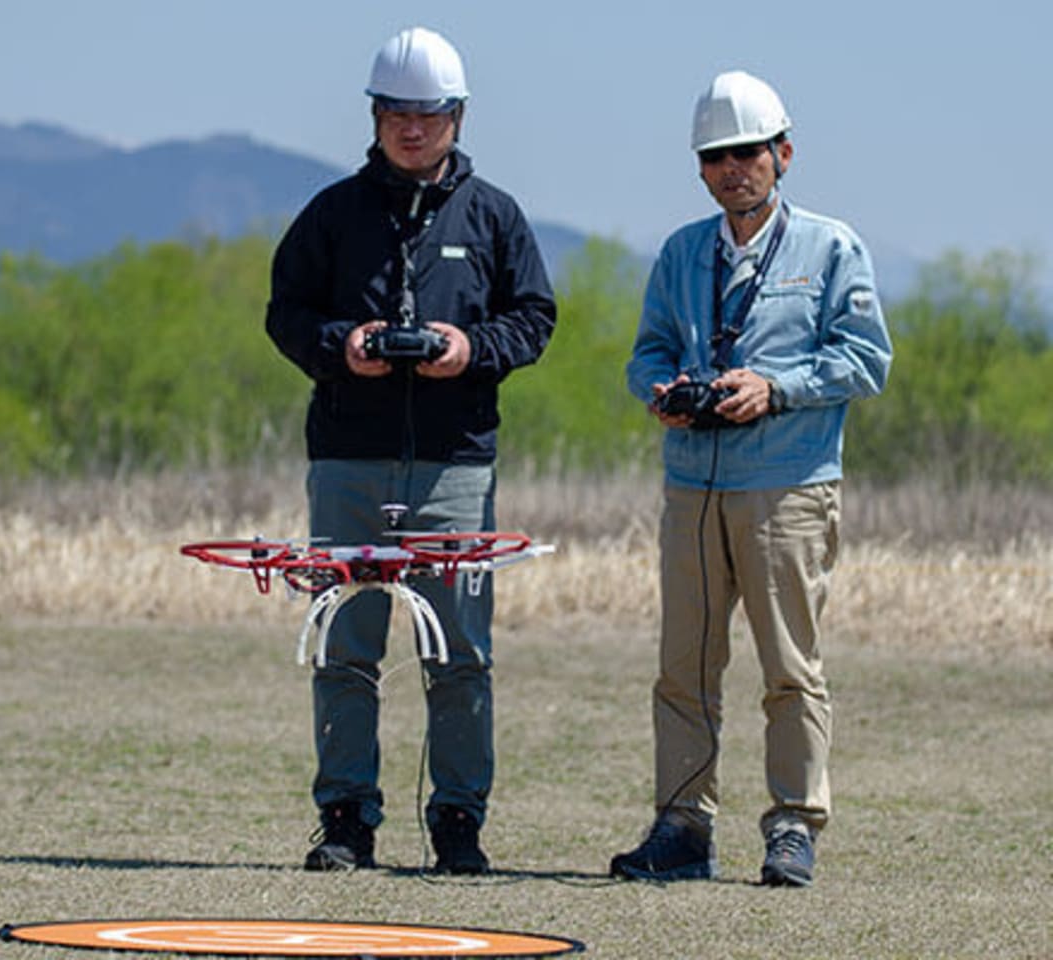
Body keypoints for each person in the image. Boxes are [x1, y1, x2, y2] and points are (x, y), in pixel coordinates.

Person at [265, 26, 556, 875]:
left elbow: (535, 317)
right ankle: (347, 820)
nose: (412, 128)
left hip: (455, 464)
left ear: (458, 116)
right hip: (348, 462)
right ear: (374, 115)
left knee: (460, 652)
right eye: (395, 112)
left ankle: (458, 822)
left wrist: (468, 350)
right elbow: (284, 314)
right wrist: (339, 344)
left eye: (428, 113)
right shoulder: (332, 212)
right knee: (344, 646)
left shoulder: (495, 215)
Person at [614, 70, 892, 887]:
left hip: (790, 485)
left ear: (784, 154)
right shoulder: (679, 251)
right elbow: (647, 353)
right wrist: (660, 394)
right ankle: (681, 825)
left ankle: (793, 825)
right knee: (685, 666)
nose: (733, 169)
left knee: (789, 666)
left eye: (748, 153)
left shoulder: (831, 247)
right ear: (700, 169)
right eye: (715, 157)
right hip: (692, 486)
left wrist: (777, 387)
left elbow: (867, 360)